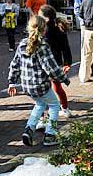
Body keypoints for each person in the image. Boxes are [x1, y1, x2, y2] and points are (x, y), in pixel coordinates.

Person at [8, 16, 71, 146]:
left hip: (26, 86)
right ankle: (50, 135)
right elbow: (51, 67)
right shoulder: (42, 46)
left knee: (40, 105)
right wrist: (64, 78)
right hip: (40, 85)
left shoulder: (22, 44)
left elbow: (15, 64)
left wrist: (12, 82)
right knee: (54, 106)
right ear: (44, 30)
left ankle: (29, 129)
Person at [40, 5, 73, 118]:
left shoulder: (44, 31)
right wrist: (67, 63)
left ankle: (42, 117)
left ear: (46, 18)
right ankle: (65, 108)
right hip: (57, 63)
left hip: (45, 64)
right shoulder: (60, 29)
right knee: (57, 88)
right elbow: (66, 48)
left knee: (43, 90)